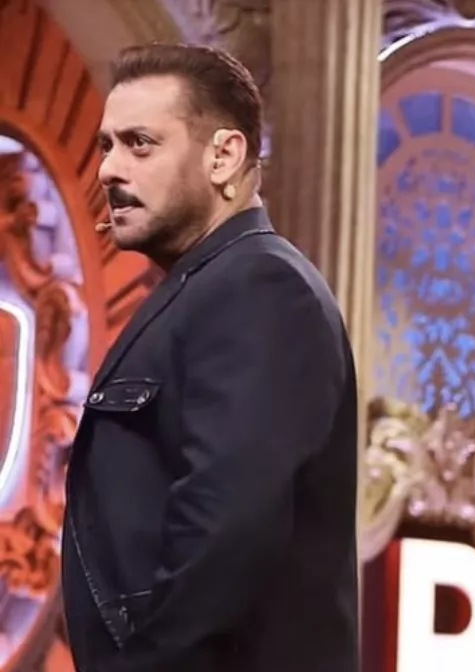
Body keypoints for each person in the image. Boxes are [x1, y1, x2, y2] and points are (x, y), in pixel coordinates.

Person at [62, 44, 359, 672]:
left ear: (223, 156)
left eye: (140, 144)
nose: (109, 170)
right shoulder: (209, 288)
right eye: (106, 146)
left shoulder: (259, 287)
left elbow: (224, 532)